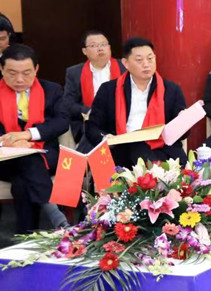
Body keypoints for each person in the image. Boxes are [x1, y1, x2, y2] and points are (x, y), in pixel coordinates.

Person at [0, 44, 71, 233]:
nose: (19, 79)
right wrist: (11, 143)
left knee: (22, 182)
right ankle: (57, 217)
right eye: (12, 73)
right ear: (2, 69)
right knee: (27, 159)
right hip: (4, 160)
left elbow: (62, 121)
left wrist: (28, 135)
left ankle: (26, 237)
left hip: (45, 155)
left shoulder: (52, 90)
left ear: (36, 69)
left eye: (26, 73)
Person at [87, 37, 188, 167]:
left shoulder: (171, 90)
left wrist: (183, 122)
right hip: (123, 150)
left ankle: (154, 174)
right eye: (139, 60)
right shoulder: (109, 90)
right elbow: (92, 127)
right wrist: (105, 139)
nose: (146, 64)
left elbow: (183, 134)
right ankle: (156, 174)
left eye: (150, 59)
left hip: (163, 149)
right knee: (137, 146)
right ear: (126, 63)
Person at [62, 30, 126, 153]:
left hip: (121, 119)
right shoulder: (74, 72)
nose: (100, 48)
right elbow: (67, 103)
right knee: (91, 131)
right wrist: (89, 112)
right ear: (84, 51)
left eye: (103, 44)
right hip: (90, 120)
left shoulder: (124, 67)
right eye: (93, 45)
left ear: (109, 47)